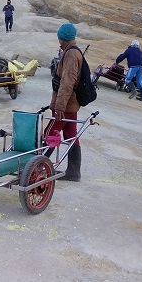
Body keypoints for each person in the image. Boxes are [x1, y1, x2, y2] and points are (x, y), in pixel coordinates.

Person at [46, 23, 83, 181]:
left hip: (66, 105)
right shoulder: (72, 52)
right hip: (71, 104)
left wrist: (59, 106)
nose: (59, 42)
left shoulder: (70, 55)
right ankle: (74, 172)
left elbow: (67, 82)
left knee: (49, 134)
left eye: (60, 39)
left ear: (64, 39)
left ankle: (38, 167)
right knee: (70, 135)